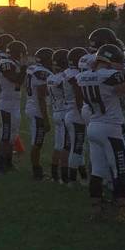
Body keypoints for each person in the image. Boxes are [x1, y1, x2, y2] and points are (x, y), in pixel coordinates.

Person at [77, 44, 125, 221]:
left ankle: (96, 209)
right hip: (110, 128)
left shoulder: (83, 76)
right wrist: (124, 70)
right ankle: (123, 210)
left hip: (93, 126)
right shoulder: (110, 75)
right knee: (120, 168)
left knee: (97, 170)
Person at [0, 40, 28, 174]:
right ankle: (0, 166)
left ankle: (8, 163)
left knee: (12, 136)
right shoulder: (5, 63)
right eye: (22, 54)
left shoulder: (13, 63)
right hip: (6, 103)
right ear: (17, 53)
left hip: (13, 103)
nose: (23, 56)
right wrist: (25, 67)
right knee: (6, 134)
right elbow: (16, 79)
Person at [25, 48, 53, 180]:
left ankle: (37, 170)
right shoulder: (42, 73)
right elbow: (42, 97)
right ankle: (37, 172)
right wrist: (46, 119)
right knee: (37, 142)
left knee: (37, 141)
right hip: (37, 110)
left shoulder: (32, 68)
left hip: (31, 105)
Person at [64, 47, 89, 185]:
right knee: (77, 147)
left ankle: (83, 176)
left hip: (69, 112)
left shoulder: (67, 72)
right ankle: (72, 180)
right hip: (75, 114)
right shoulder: (75, 76)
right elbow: (79, 96)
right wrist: (83, 114)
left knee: (78, 146)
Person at [48, 49, 70, 184]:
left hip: (56, 112)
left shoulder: (51, 77)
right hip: (64, 113)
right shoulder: (63, 78)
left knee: (58, 145)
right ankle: (64, 177)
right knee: (66, 147)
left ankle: (55, 175)